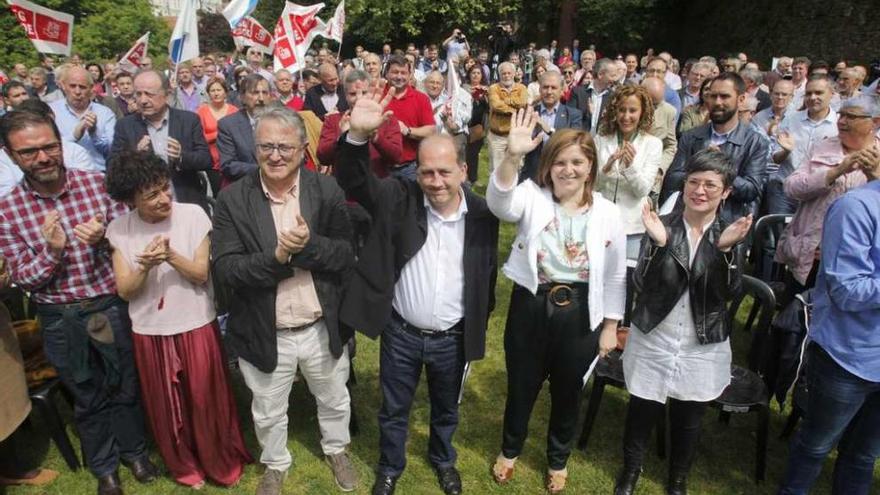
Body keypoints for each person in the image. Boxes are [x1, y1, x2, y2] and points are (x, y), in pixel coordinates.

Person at [334, 84, 499, 495]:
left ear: (464, 170)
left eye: (445, 171)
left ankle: (443, 459)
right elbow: (355, 182)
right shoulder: (398, 196)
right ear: (417, 171)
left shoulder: (482, 214)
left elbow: (488, 272)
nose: (436, 181)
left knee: (446, 410)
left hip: (453, 336)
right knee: (394, 410)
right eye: (427, 171)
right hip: (402, 333)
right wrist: (356, 136)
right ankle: (390, 466)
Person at [0, 110, 155, 495]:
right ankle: (104, 467)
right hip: (60, 316)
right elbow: (22, 279)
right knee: (86, 394)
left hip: (109, 305)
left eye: (49, 146)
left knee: (126, 384)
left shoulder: (98, 185)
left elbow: (131, 246)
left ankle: (135, 452)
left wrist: (105, 240)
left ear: (61, 142)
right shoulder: (7, 211)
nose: (43, 158)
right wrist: (52, 253)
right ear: (11, 155)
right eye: (29, 152)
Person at [212, 106, 357, 495]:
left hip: (319, 325)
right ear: (254, 147)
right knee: (267, 408)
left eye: (284, 147)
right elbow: (226, 270)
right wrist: (276, 259)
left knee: (333, 397)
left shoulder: (325, 190)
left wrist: (308, 248)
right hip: (263, 328)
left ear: (303, 148)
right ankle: (275, 463)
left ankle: (337, 448)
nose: (275, 155)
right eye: (265, 146)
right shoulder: (231, 200)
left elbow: (345, 255)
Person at [487, 110, 626, 493]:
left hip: (581, 312)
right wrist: (511, 156)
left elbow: (616, 274)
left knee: (568, 391)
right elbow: (500, 205)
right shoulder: (532, 197)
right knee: (522, 385)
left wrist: (611, 326)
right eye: (560, 162)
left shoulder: (609, 213)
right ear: (547, 167)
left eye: (577, 162)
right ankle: (510, 450)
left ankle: (557, 459)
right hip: (531, 305)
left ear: (591, 166)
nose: (568, 170)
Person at [103, 150, 252, 488]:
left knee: (205, 399)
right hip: (149, 329)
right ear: (130, 200)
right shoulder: (119, 230)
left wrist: (169, 255)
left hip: (195, 321)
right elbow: (125, 290)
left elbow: (200, 273)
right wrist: (144, 266)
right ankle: (184, 466)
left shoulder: (193, 215)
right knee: (166, 407)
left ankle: (220, 462)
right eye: (151, 194)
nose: (163, 198)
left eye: (164, 187)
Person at [615, 150, 751, 495]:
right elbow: (642, 285)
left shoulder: (729, 232)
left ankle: (677, 480)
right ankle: (630, 471)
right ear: (684, 184)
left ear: (726, 192)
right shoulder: (663, 224)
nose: (700, 191)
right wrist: (659, 245)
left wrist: (724, 252)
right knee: (642, 408)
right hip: (656, 335)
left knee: (689, 416)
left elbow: (732, 292)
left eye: (710, 185)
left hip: (700, 341)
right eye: (693, 182)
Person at [777, 148, 880, 495]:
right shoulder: (856, 208)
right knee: (815, 447)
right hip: (848, 357)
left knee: (864, 455)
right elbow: (847, 291)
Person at [774, 100, 874, 295]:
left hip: (857, 260)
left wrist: (874, 176)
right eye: (841, 115)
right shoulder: (823, 146)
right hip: (812, 255)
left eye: (850, 117)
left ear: (874, 122)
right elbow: (791, 187)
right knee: (795, 317)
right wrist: (835, 172)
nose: (842, 121)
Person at [661, 72, 768, 222]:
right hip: (688, 220)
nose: (717, 102)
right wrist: (699, 167)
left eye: (724, 96)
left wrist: (721, 170)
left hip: (729, 223)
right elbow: (672, 179)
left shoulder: (755, 142)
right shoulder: (691, 137)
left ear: (741, 99)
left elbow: (751, 190)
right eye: (713, 96)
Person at [111, 70, 212, 211]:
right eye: (138, 94)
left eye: (149, 94)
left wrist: (181, 157)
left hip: (186, 205)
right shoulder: (125, 126)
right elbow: (113, 168)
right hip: (147, 211)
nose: (143, 100)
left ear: (167, 94)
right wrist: (135, 156)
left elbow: (206, 160)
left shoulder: (189, 120)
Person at [594, 84, 662, 259]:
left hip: (633, 226)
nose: (626, 116)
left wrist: (630, 167)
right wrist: (606, 168)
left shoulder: (653, 144)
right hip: (601, 223)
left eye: (632, 110)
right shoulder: (600, 140)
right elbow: (592, 186)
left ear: (642, 112)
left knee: (627, 280)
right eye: (622, 110)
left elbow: (643, 190)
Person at [317, 70, 401, 177]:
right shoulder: (333, 120)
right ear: (345, 95)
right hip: (342, 187)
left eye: (364, 93)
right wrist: (342, 138)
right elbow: (323, 157)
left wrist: (375, 137)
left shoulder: (386, 120)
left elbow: (396, 157)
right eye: (352, 94)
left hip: (377, 185)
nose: (359, 98)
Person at [521, 70, 584, 182]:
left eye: (553, 88)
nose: (549, 91)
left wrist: (549, 130)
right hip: (531, 176)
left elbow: (574, 145)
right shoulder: (528, 113)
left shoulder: (574, 115)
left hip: (561, 178)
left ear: (561, 90)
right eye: (545, 87)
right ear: (539, 89)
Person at [50, 66, 116, 171]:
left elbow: (113, 150)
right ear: (63, 85)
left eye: (82, 87)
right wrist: (74, 136)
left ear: (91, 88)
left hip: (99, 174)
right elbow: (49, 148)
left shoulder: (105, 113)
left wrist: (94, 133)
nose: (77, 92)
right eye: (72, 86)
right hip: (64, 174)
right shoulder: (52, 111)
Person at [383, 55, 436, 181]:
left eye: (403, 73)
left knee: (411, 201)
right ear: (386, 74)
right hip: (380, 166)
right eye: (395, 72)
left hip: (409, 168)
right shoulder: (377, 95)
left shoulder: (421, 99)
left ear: (410, 75)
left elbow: (431, 130)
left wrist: (408, 131)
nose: (399, 76)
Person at [218, 74, 271, 184]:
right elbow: (228, 165)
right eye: (255, 93)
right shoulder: (228, 125)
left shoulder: (281, 121)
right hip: (246, 187)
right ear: (242, 97)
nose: (261, 98)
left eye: (265, 93)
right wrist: (263, 170)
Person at [196, 77, 238, 196]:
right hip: (212, 164)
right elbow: (199, 137)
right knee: (218, 196)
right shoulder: (201, 111)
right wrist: (218, 134)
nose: (216, 93)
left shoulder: (234, 111)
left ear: (225, 92)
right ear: (208, 93)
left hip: (232, 161)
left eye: (219, 90)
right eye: (212, 90)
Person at [487, 62, 529, 174]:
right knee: (496, 168)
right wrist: (515, 110)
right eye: (503, 73)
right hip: (497, 136)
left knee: (517, 167)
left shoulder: (522, 88)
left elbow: (523, 102)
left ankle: (515, 191)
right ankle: (496, 191)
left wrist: (507, 101)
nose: (506, 76)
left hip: (516, 135)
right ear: (499, 75)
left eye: (509, 73)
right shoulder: (493, 88)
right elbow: (496, 106)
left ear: (514, 74)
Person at [463, 63, 489, 183]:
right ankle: (462, 177)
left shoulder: (486, 89)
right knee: (464, 153)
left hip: (478, 127)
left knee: (474, 154)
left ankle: (472, 178)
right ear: (469, 74)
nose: (476, 75)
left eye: (478, 73)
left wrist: (486, 96)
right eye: (473, 73)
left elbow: (490, 108)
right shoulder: (463, 88)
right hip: (465, 126)